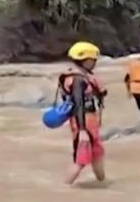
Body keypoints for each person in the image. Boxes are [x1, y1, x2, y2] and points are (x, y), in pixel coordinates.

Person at [59, 41, 108, 185]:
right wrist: (82, 131)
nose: (94, 63)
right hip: (83, 122)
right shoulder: (78, 80)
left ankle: (103, 184)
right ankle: (63, 189)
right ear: (85, 60)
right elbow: (78, 104)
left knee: (97, 155)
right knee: (80, 161)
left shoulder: (81, 76)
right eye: (93, 60)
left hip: (89, 121)